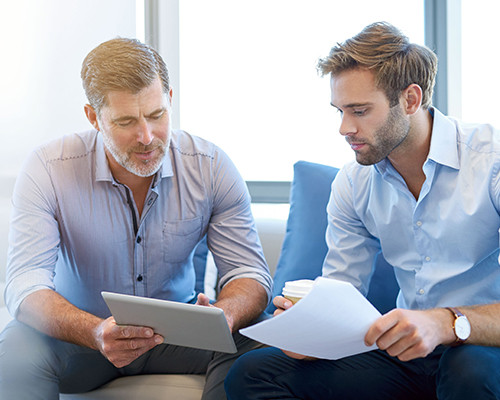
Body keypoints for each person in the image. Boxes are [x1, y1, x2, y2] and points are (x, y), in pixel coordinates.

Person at [224, 21, 500, 399]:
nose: (344, 128)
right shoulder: (354, 183)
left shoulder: (491, 165)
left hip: (483, 348)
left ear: (411, 99)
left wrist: (447, 323)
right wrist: (309, 331)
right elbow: (341, 292)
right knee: (253, 372)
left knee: (468, 370)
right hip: (408, 357)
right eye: (339, 111)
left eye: (359, 111)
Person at [0, 37, 272, 400]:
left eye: (157, 115)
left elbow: (248, 273)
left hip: (178, 337)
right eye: (126, 121)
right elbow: (25, 284)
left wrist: (225, 313)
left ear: (170, 99)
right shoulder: (48, 168)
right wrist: (95, 331)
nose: (146, 137)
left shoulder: (211, 166)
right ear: (94, 117)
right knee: (16, 347)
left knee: (258, 337)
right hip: (83, 339)